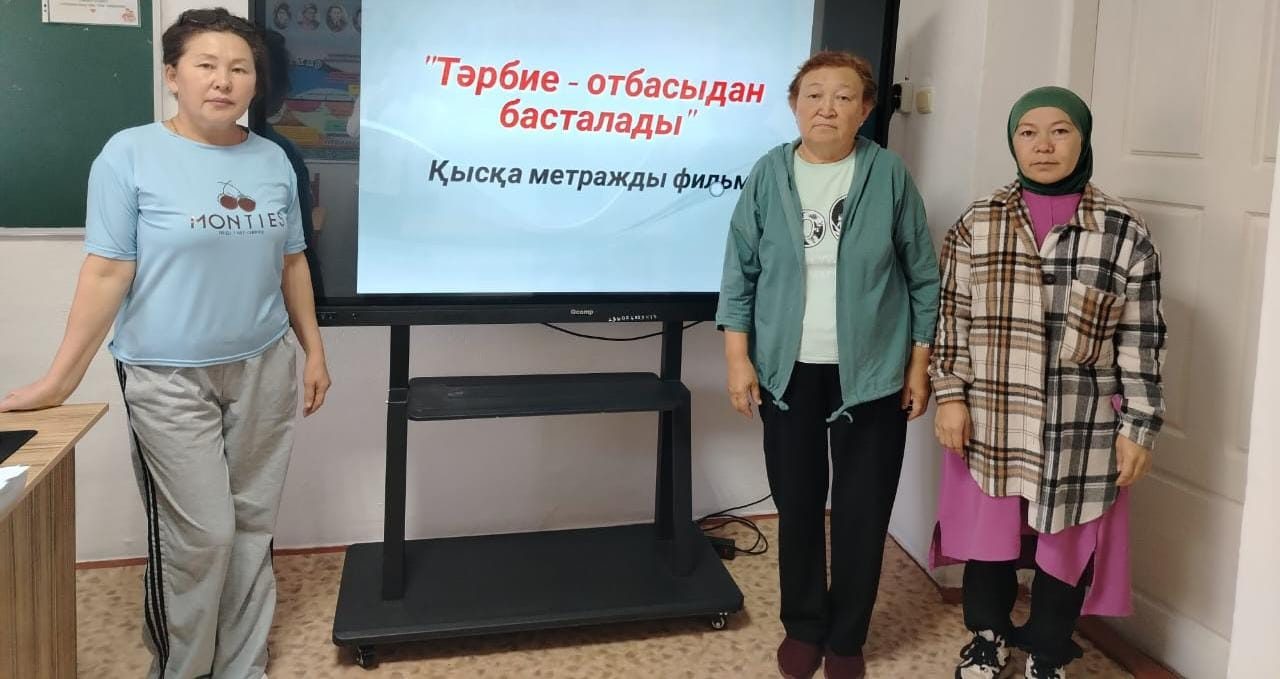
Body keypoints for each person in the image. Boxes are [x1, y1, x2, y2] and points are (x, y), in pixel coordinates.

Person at [0, 8, 332, 678]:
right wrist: (60, 380)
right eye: (206, 65)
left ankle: (242, 666)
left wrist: (314, 352)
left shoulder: (273, 158)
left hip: (264, 364)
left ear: (256, 82)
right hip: (166, 373)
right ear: (173, 75)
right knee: (201, 533)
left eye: (239, 68)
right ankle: (183, 668)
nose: (223, 80)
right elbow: (106, 270)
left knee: (251, 527)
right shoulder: (129, 154)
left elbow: (293, 260)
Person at [929, 86, 1166, 679]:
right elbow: (952, 317)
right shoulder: (978, 222)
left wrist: (1139, 426)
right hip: (991, 417)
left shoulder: (1122, 230)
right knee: (991, 541)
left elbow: (1142, 337)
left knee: (1065, 548)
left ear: (1083, 139)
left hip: (1080, 425)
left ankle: (1047, 651)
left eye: (1060, 131)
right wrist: (950, 396)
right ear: (1013, 142)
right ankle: (987, 638)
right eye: (1028, 132)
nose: (1043, 146)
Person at [716, 50, 940, 679]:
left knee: (864, 509)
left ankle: (846, 638)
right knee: (798, 503)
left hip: (872, 371)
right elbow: (740, 273)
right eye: (814, 95)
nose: (827, 107)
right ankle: (804, 626)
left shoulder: (888, 174)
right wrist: (738, 359)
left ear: (865, 110)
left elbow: (923, 277)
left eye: (844, 96)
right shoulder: (769, 174)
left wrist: (918, 365)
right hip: (786, 371)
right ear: (795, 105)